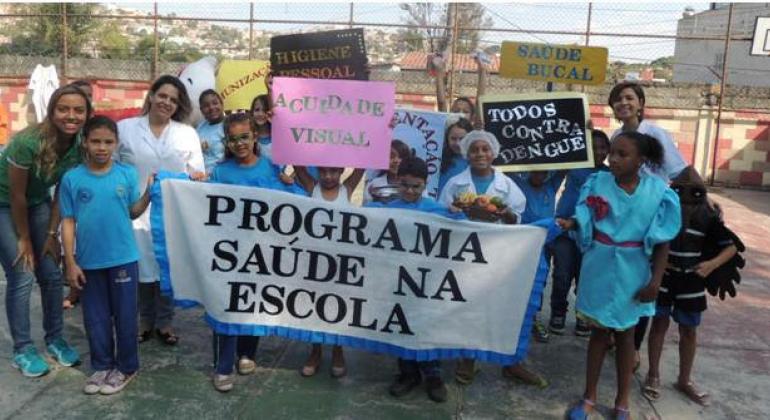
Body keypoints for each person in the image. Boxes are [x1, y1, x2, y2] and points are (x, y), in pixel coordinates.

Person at [560, 131, 681, 420]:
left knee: (626, 335)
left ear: (640, 160)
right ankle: (589, 396)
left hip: (634, 269)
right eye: (611, 152)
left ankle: (622, 400)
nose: (613, 158)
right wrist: (573, 222)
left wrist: (656, 281)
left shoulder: (658, 193)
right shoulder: (597, 183)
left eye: (622, 154)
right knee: (598, 333)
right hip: (599, 265)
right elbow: (585, 217)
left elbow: (663, 241)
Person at [439, 130, 547, 388]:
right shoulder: (455, 184)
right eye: (474, 150)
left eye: (485, 149)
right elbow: (442, 214)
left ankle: (511, 361)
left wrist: (506, 213)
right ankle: (468, 357)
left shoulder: (507, 186)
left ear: (494, 153)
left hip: (499, 254)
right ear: (467, 153)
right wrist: (453, 211)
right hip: (465, 254)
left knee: (504, 306)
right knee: (468, 304)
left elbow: (517, 218)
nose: (480, 154)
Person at [0, 84, 90, 377]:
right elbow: (16, 196)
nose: (71, 116)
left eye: (78, 110)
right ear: (51, 111)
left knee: (51, 274)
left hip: (38, 203)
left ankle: (54, 338)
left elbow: (59, 194)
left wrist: (51, 236)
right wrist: (25, 239)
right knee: (22, 273)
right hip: (4, 204)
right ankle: (23, 348)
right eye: (63, 109)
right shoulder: (27, 142)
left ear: (87, 114)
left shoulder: (79, 146)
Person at [60, 116, 152, 395]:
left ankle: (126, 367)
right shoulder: (72, 178)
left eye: (108, 142)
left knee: (125, 317)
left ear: (116, 144)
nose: (102, 147)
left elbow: (132, 211)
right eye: (96, 141)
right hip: (89, 261)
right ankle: (101, 365)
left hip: (123, 258)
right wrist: (71, 261)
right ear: (85, 143)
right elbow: (68, 221)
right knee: (95, 317)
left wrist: (149, 191)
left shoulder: (125, 174)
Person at [208, 112, 299, 392]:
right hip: (229, 254)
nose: (239, 144)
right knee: (227, 306)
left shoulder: (272, 169)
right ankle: (223, 365)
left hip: (261, 253)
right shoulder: (220, 172)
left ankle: (247, 352)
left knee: (254, 304)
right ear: (227, 141)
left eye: (244, 137)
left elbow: (296, 205)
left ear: (255, 136)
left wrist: (290, 184)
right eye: (233, 139)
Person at [116, 74, 205, 346]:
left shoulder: (186, 133)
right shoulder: (125, 128)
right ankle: (144, 321)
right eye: (162, 96)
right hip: (134, 211)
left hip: (172, 215)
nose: (166, 102)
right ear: (151, 96)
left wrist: (199, 178)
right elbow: (112, 167)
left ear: (178, 106)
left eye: (173, 100)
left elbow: (198, 172)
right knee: (141, 269)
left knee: (167, 268)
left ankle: (165, 322)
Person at [367, 156, 464, 403]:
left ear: (426, 184)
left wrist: (457, 214)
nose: (409, 191)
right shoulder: (386, 208)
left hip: (428, 282)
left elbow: (467, 232)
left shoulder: (437, 210)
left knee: (427, 325)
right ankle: (408, 373)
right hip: (396, 281)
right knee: (401, 324)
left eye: (416, 186)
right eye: (405, 185)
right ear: (397, 182)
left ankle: (434, 375)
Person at [642, 167, 741, 407]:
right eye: (680, 189)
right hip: (665, 278)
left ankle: (684, 379)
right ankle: (653, 374)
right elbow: (646, 237)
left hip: (692, 281)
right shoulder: (663, 210)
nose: (685, 195)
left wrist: (711, 264)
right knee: (659, 325)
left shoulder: (708, 217)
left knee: (689, 330)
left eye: (692, 190)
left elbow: (732, 246)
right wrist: (656, 264)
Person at [293, 165, 364, 378]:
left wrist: (380, 133)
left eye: (333, 172)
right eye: (323, 171)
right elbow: (297, 163)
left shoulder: (347, 189)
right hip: (314, 260)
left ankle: (337, 350)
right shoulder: (311, 185)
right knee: (313, 306)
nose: (328, 176)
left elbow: (362, 166)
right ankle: (315, 351)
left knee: (337, 307)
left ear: (342, 171)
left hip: (340, 260)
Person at [549, 130, 611, 337]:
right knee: (561, 275)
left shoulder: (609, 175)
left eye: (603, 147)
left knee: (585, 278)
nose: (598, 151)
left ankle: (582, 316)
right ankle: (558, 312)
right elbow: (556, 156)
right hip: (565, 230)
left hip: (592, 235)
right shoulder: (573, 166)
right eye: (593, 146)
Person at [510, 170, 566, 343]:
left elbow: (564, 167)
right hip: (522, 244)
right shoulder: (520, 184)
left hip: (545, 243)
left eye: (544, 172)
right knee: (521, 281)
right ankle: (515, 319)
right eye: (536, 170)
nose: (539, 174)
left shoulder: (551, 185)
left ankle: (533, 318)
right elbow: (508, 168)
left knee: (539, 281)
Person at [363, 139, 411, 204]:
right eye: (391, 156)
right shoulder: (374, 185)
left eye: (401, 157)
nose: (396, 161)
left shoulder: (415, 184)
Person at [437, 117, 473, 196]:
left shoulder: (476, 161)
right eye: (453, 139)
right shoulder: (438, 159)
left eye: (462, 139)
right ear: (447, 139)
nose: (458, 143)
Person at [196, 89, 225, 174]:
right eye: (206, 106)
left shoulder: (230, 125)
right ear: (201, 110)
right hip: (202, 177)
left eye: (215, 103)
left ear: (222, 104)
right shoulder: (200, 128)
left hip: (222, 176)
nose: (211, 107)